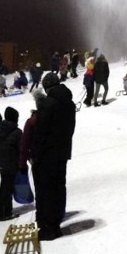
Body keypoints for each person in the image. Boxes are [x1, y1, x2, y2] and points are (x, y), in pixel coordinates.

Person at [31, 73, 76, 241]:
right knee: (59, 187)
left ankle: (48, 228)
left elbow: (41, 133)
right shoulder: (69, 103)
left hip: (47, 154)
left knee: (47, 189)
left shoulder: (48, 104)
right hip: (62, 152)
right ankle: (56, 224)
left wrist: (35, 154)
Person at [0, 106, 22, 222]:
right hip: (10, 164)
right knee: (7, 188)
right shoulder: (17, 132)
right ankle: (5, 213)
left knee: (4, 186)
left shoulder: (0, 129)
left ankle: (3, 210)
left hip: (1, 163)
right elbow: (21, 148)